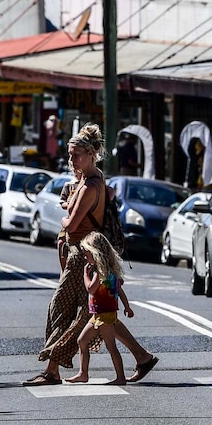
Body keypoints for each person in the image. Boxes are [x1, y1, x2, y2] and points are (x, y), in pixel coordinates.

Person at [23, 123, 158, 386]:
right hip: (82, 253)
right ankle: (142, 357)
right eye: (70, 154)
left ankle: (52, 369)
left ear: (91, 154)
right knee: (95, 313)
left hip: (81, 255)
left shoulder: (90, 186)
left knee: (61, 309)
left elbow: (72, 225)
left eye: (77, 155)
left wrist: (63, 219)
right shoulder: (87, 181)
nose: (71, 159)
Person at [66, 232, 135, 385]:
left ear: (95, 252)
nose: (85, 258)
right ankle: (83, 374)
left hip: (104, 316)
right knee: (82, 341)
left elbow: (90, 289)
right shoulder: (110, 270)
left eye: (87, 255)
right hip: (98, 315)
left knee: (111, 346)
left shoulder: (100, 272)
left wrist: (85, 274)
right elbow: (120, 291)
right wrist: (127, 307)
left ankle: (120, 377)